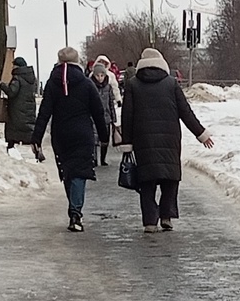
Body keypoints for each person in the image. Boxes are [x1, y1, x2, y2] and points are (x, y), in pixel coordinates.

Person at [120, 44, 211, 232]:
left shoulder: (133, 85)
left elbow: (127, 115)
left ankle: (150, 222)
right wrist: (201, 134)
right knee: (170, 177)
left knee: (146, 181)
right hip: (170, 139)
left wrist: (127, 143)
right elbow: (185, 111)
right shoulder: (171, 83)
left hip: (142, 139)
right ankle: (167, 215)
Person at [34, 45, 110, 232]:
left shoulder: (52, 84)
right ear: (77, 62)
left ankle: (74, 210)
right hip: (83, 134)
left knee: (68, 172)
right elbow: (98, 111)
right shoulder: (86, 84)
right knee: (79, 173)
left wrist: (36, 138)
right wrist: (104, 136)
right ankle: (75, 213)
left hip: (60, 135)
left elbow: (44, 112)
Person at [87, 55, 120, 168]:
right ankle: (95, 159)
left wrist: (113, 117)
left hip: (106, 116)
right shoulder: (90, 86)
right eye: (98, 75)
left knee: (105, 138)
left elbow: (111, 102)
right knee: (94, 138)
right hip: (93, 116)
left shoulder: (108, 87)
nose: (100, 78)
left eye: (102, 75)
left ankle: (103, 158)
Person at [1, 53, 38, 146]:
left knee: (14, 129)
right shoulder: (32, 78)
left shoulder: (17, 78)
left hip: (17, 109)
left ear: (17, 66)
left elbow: (12, 92)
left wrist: (2, 85)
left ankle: (11, 147)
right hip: (28, 107)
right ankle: (35, 146)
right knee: (28, 128)